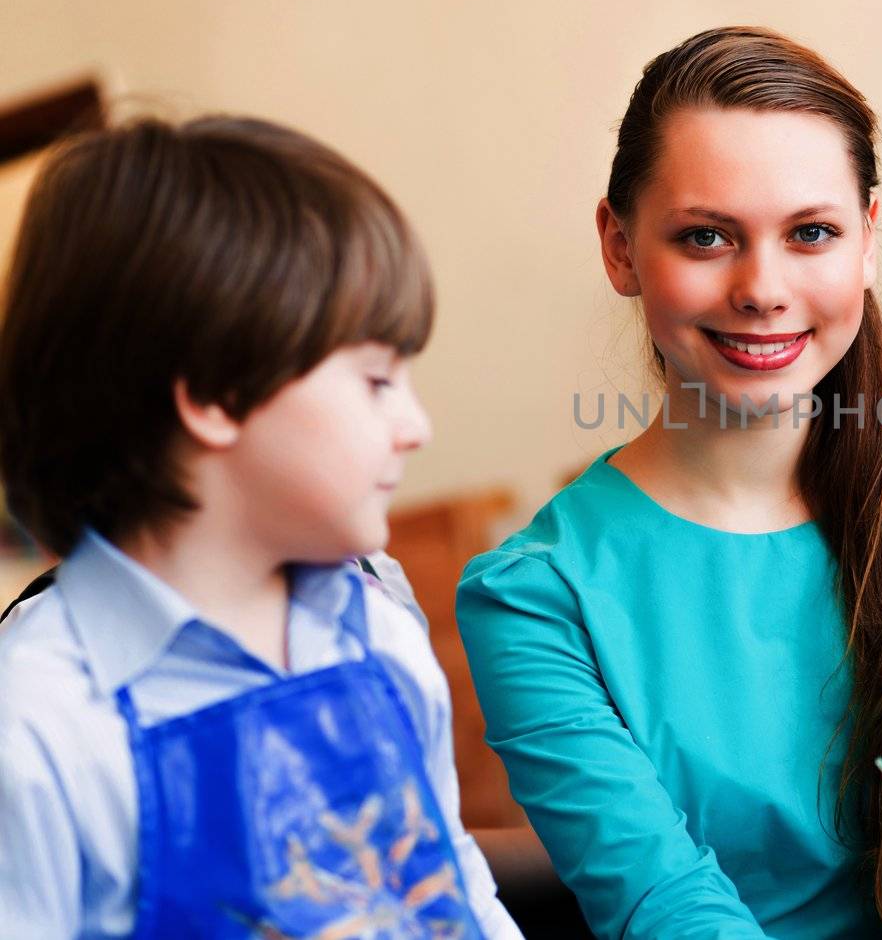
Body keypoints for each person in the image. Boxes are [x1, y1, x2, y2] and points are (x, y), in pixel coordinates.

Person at [457, 26, 882, 940]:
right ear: (620, 248)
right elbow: (664, 911)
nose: (763, 288)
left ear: (865, 240)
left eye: (810, 233)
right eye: (706, 237)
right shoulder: (535, 597)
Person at [0, 116, 520, 939]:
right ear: (212, 393)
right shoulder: (37, 719)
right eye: (378, 379)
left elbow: (454, 882)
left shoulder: (380, 633)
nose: (415, 424)